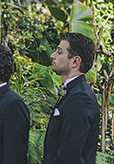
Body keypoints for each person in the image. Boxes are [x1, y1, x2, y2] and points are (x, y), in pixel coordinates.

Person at [43, 33, 100, 164]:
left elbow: (70, 153)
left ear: (75, 61)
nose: (53, 55)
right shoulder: (72, 92)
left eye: (59, 52)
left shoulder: (80, 97)